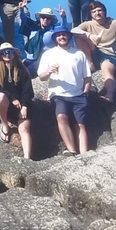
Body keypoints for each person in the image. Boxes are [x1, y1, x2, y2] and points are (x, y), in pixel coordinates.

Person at [37, 25, 92, 155]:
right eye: (58, 35)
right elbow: (41, 77)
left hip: (78, 94)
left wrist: (86, 92)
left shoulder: (78, 53)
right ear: (55, 38)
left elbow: (87, 76)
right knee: (61, 117)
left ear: (68, 36)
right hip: (58, 94)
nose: (62, 37)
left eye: (64, 34)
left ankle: (85, 154)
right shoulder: (48, 54)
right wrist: (49, 71)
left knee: (80, 124)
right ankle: (71, 150)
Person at [72, 0, 116, 103]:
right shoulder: (89, 24)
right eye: (94, 11)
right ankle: (90, 63)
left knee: (106, 71)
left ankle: (109, 95)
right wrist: (89, 35)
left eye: (99, 10)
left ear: (104, 12)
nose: (97, 13)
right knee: (79, 37)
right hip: (93, 51)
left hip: (108, 55)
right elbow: (73, 30)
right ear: (91, 14)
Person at [0, 42, 35, 159]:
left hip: (20, 107)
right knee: (0, 97)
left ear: (14, 54)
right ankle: (5, 125)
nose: (7, 54)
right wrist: (12, 98)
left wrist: (24, 106)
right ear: (0, 55)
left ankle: (27, 158)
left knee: (24, 128)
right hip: (5, 107)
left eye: (9, 52)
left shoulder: (22, 70)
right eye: (4, 52)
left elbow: (28, 91)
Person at [17, 5, 68, 69]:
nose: (45, 19)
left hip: (45, 60)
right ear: (39, 18)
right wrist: (21, 10)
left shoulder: (53, 30)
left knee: (28, 73)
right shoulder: (33, 28)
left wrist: (63, 17)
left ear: (51, 20)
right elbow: (24, 19)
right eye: (43, 17)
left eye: (48, 18)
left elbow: (63, 28)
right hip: (30, 59)